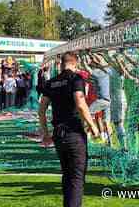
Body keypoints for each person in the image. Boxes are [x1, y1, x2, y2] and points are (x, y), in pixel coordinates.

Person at [38, 51, 99, 207]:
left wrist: (45, 133)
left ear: (61, 64)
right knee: (77, 178)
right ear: (75, 63)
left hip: (58, 133)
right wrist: (93, 126)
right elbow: (80, 103)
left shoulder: (51, 82)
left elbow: (42, 109)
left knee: (67, 175)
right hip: (74, 132)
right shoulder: (76, 78)